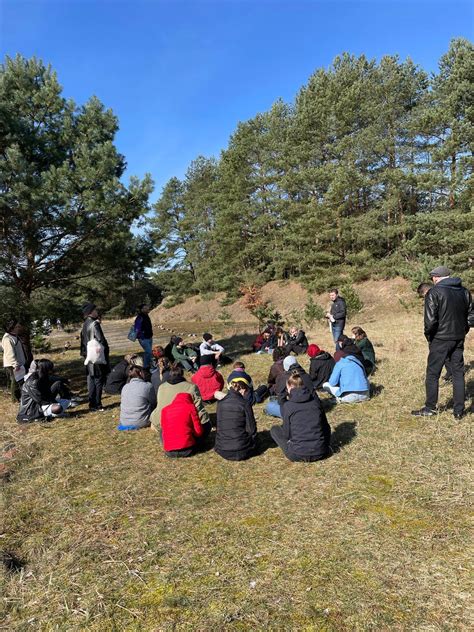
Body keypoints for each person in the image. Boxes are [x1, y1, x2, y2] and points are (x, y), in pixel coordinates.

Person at [412, 266, 472, 420]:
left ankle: (430, 408)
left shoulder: (434, 292)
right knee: (458, 373)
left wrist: (429, 336)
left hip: (440, 339)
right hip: (458, 338)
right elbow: (471, 316)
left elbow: (430, 321)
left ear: (435, 277)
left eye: (433, 277)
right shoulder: (464, 291)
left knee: (433, 374)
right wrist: (462, 330)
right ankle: (459, 411)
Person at [270, 371, 331, 462]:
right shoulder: (316, 403)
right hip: (321, 452)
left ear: (290, 386)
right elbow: (326, 428)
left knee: (274, 430)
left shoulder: (288, 406)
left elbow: (287, 434)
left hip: (297, 454)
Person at [150, 364, 210, 431]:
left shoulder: (161, 387)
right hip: (182, 423)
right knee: (206, 425)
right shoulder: (191, 387)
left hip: (161, 422)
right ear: (182, 374)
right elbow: (198, 407)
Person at [215, 377, 257, 461]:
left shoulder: (220, 403)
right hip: (242, 450)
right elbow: (251, 429)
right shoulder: (245, 404)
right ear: (243, 389)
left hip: (222, 449)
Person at [80, 303, 110, 412]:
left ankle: (92, 404)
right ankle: (98, 404)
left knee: (91, 380)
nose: (97, 312)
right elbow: (101, 339)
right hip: (96, 355)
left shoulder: (85, 324)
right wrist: (106, 350)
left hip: (88, 355)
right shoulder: (94, 324)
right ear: (91, 312)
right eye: (95, 310)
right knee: (98, 380)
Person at [160, 393, 209, 458]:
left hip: (169, 452)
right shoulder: (190, 407)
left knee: (162, 429)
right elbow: (198, 432)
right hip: (188, 450)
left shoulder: (164, 410)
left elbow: (163, 430)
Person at [117, 364, 156, 430]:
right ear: (140, 373)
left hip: (124, 421)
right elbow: (153, 402)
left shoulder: (125, 387)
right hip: (141, 422)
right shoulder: (147, 386)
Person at [1, 318, 27, 402]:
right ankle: (15, 400)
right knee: (15, 381)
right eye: (17, 326)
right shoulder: (7, 338)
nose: (19, 327)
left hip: (18, 363)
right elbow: (9, 353)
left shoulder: (14, 336)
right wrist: (15, 364)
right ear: (11, 328)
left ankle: (18, 398)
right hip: (13, 364)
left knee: (18, 380)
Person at [134, 304, 153, 368]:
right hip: (143, 338)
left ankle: (149, 365)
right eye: (145, 308)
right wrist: (141, 337)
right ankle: (145, 367)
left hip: (149, 337)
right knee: (149, 352)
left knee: (148, 353)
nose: (147, 309)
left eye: (147, 307)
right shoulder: (140, 317)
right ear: (141, 309)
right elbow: (136, 328)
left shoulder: (146, 315)